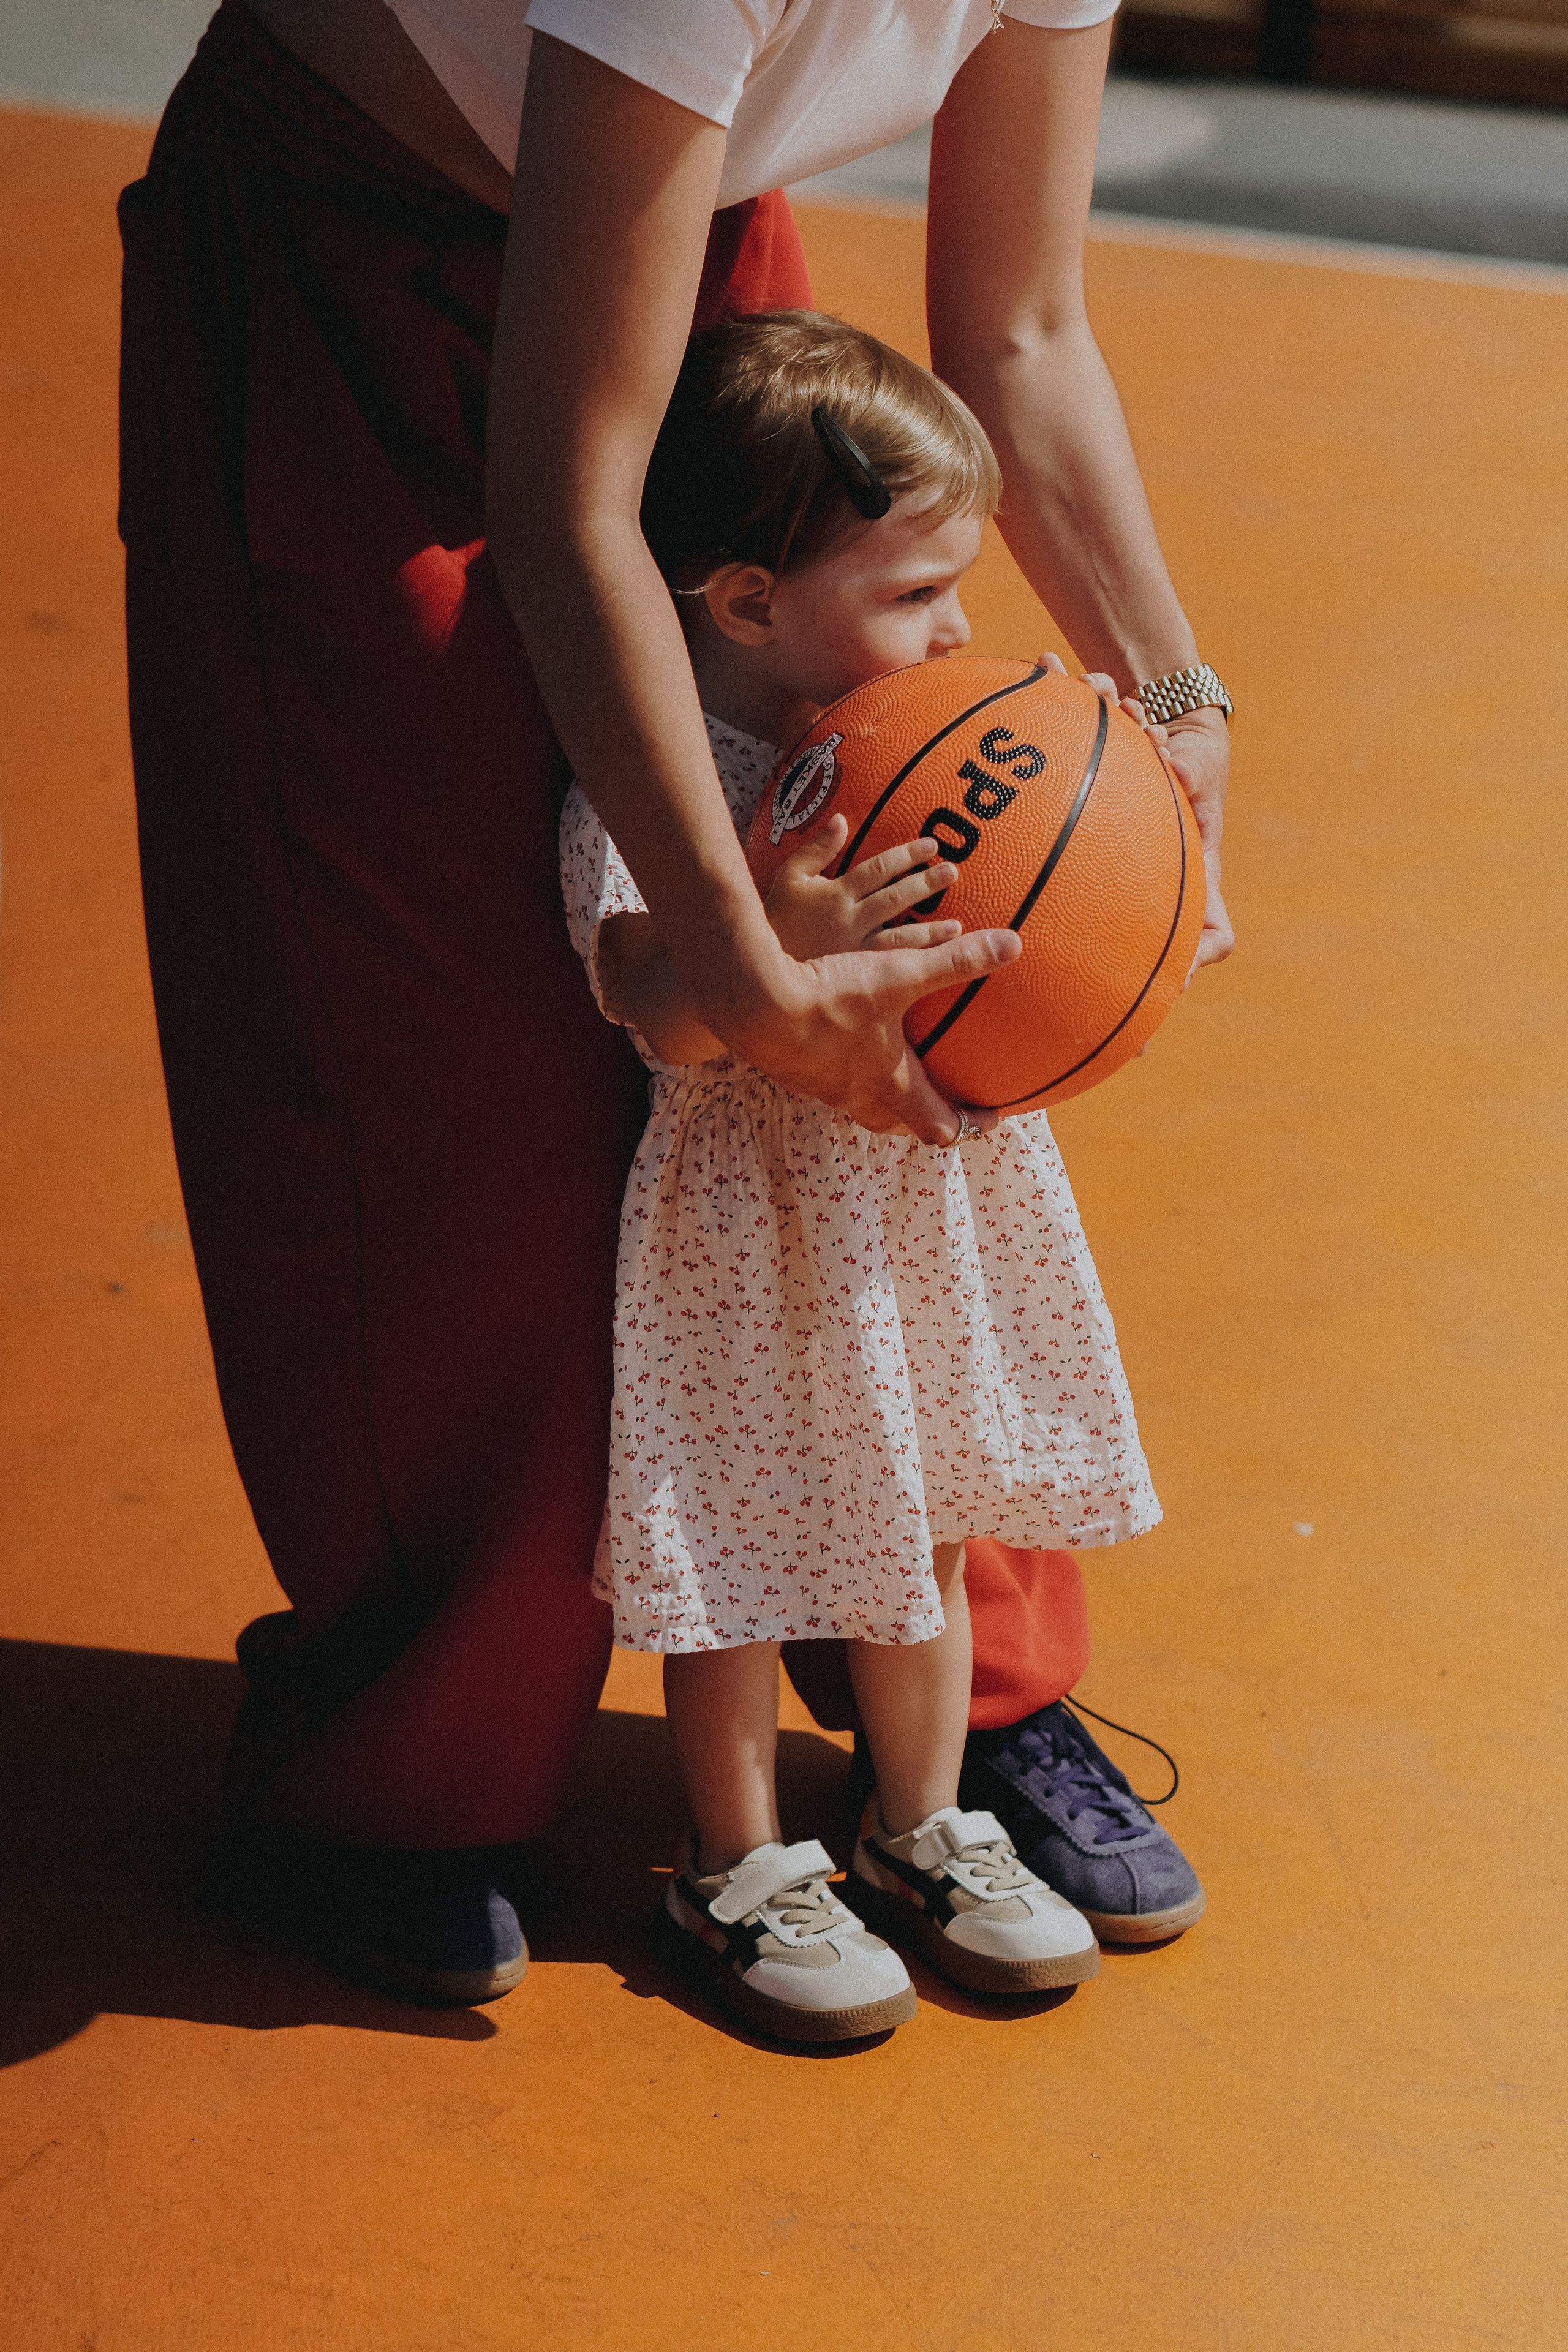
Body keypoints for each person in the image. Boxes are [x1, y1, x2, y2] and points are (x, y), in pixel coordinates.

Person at [119, 0, 1231, 2003]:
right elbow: (564, 490)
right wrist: (722, 942)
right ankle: (407, 1766)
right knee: (460, 1065)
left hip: (668, 261)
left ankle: (956, 1714)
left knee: (904, 1072)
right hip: (351, 263)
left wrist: (1171, 709)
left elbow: (1026, 335)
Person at [562, 310, 1170, 2041]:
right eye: (917, 592)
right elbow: (649, 1007)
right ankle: (735, 1856)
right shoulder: (660, 768)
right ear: (746, 601)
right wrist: (761, 942)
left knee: (927, 1517)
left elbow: (1044, 897)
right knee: (742, 1555)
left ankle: (927, 1827)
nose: (961, 627)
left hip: (918, 1218)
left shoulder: (933, 726)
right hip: (746, 1238)